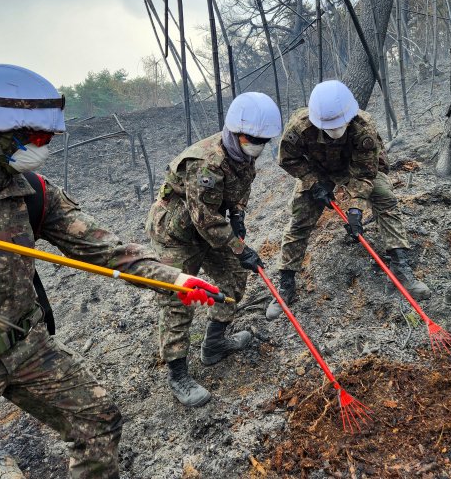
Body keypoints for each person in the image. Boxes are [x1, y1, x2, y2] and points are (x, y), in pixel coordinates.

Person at [0, 64, 217, 479]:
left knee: (98, 420)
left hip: (25, 347)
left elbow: (103, 248)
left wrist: (173, 278)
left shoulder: (35, 190)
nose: (45, 147)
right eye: (38, 137)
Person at [147, 92, 281, 406]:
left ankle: (215, 344)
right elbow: (204, 218)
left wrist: (238, 219)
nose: (257, 145)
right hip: (176, 233)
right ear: (235, 132)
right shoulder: (206, 162)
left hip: (211, 227)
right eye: (251, 138)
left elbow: (237, 196)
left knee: (234, 278)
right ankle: (178, 374)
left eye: (262, 140)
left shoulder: (244, 157)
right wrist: (239, 246)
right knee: (178, 297)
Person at [270, 79, 430, 321]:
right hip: (317, 171)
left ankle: (400, 265)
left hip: (353, 169)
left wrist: (355, 209)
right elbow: (288, 160)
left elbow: (366, 172)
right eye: (328, 127)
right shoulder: (300, 127)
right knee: (300, 218)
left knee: (384, 197)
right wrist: (314, 182)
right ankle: (285, 284)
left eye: (339, 125)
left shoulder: (363, 128)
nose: (334, 130)